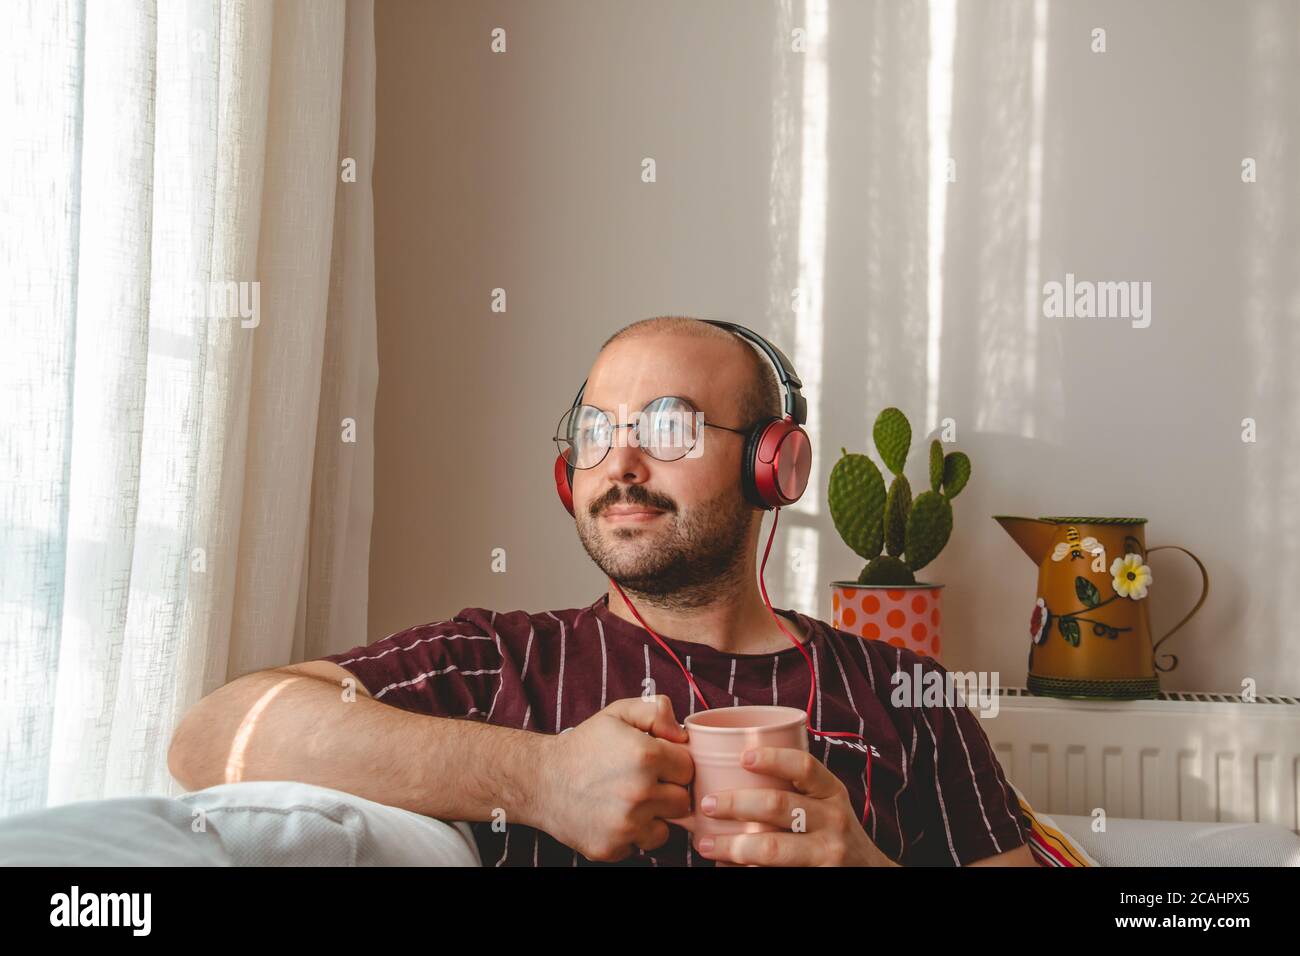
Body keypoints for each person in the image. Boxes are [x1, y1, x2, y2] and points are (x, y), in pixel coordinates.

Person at [168, 315, 1034, 867]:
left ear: (772, 465)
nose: (620, 463)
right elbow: (212, 739)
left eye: (668, 426)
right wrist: (541, 778)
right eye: (594, 431)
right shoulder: (501, 662)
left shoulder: (903, 692)